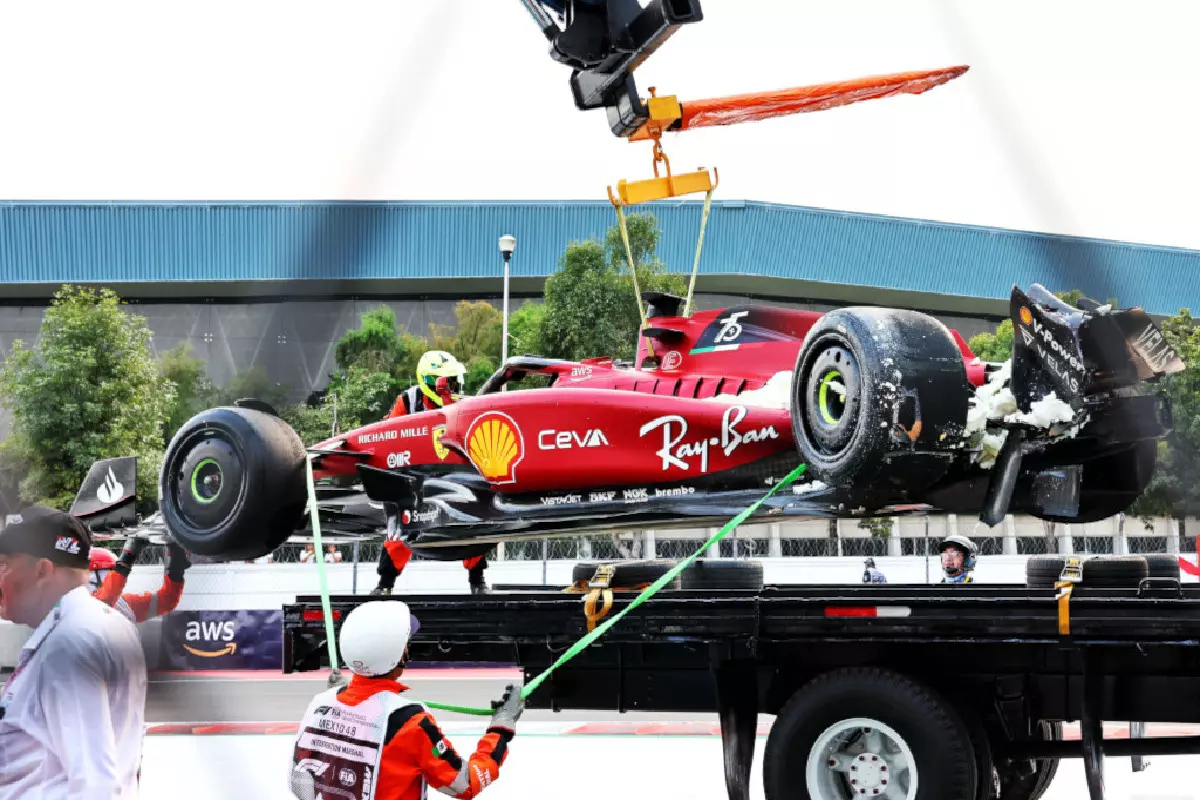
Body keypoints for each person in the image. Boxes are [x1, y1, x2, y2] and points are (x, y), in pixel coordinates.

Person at [288, 600, 522, 800]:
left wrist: (340, 697)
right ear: (400, 655)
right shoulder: (410, 723)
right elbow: (466, 783)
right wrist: (501, 728)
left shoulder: (320, 704)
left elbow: (302, 783)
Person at [0, 504, 147, 798]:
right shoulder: (106, 624)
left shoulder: (67, 645)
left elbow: (97, 786)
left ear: (43, 570)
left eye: (4, 564)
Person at [374, 350, 491, 596]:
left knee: (478, 522)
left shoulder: (462, 402)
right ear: (431, 382)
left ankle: (477, 580)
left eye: (454, 380)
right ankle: (385, 584)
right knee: (401, 528)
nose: (453, 386)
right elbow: (385, 433)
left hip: (455, 471)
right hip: (415, 473)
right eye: (448, 381)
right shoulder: (407, 401)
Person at [91, 535, 191, 623]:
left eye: (112, 571)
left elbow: (167, 601)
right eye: (108, 572)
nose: (111, 575)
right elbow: (105, 600)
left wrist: (175, 569)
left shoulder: (125, 605)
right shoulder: (84, 607)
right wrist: (127, 556)